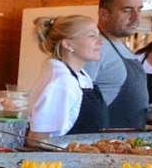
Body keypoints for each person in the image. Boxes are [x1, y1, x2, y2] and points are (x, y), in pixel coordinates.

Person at [27, 15, 106, 143]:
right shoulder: (62, 82)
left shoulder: (81, 76)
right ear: (67, 44)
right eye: (92, 36)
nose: (100, 41)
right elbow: (37, 140)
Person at [82, 0, 148, 128]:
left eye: (139, 9)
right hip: (103, 139)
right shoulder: (94, 48)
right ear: (103, 14)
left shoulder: (121, 46)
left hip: (129, 138)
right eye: (126, 10)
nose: (136, 17)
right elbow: (78, 102)